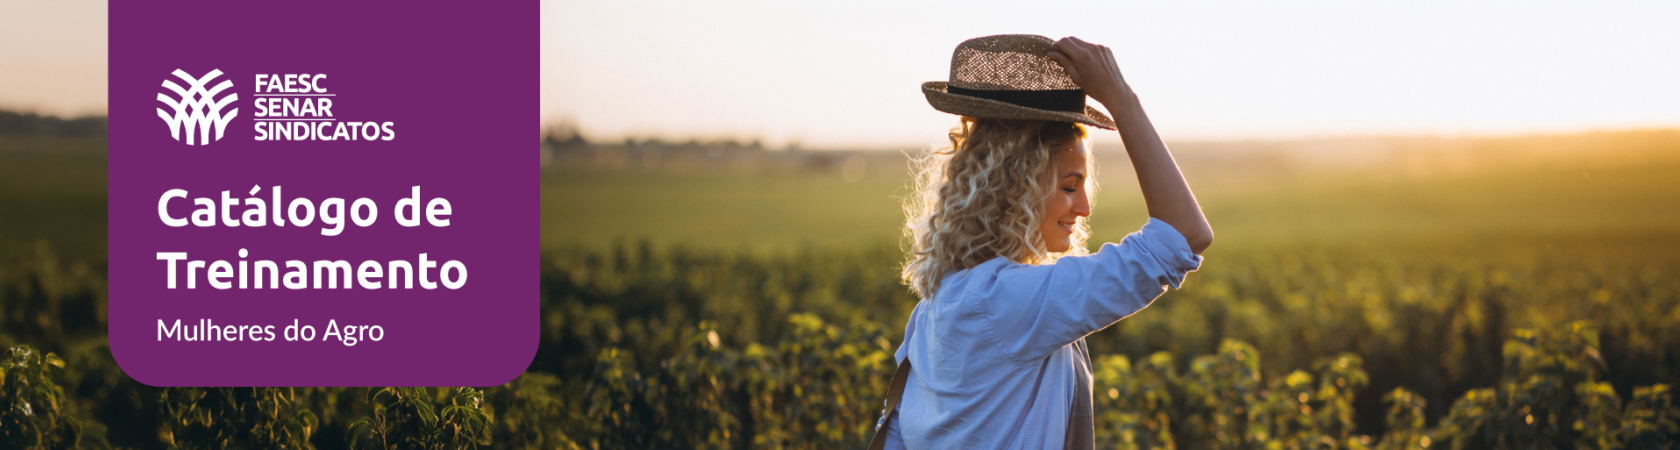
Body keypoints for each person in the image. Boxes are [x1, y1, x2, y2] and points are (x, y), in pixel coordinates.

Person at [873, 34, 1213, 449]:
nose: (1085, 207)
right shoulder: (1008, 301)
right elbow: (1182, 236)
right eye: (1070, 187)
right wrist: (1122, 99)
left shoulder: (937, 305)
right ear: (1015, 187)